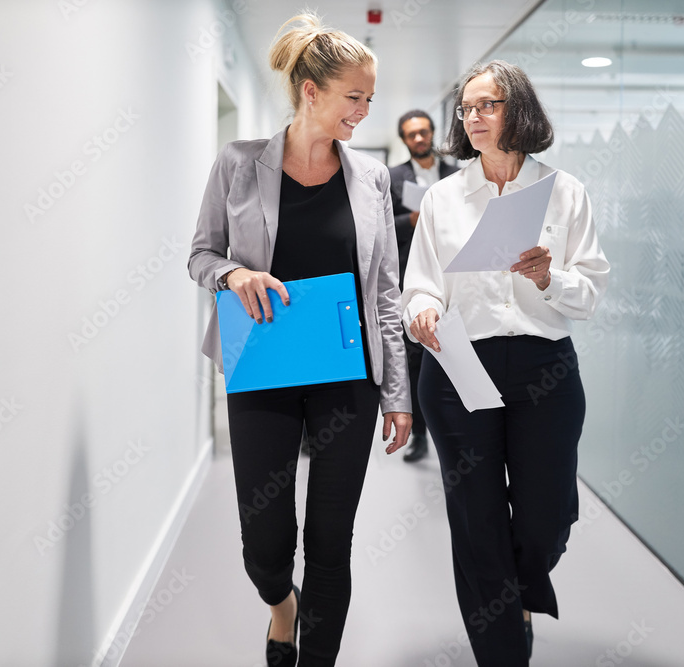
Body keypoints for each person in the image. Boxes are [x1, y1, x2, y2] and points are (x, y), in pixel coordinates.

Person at [187, 13, 412, 667]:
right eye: (354, 97)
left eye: (370, 98)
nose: (364, 111)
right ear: (310, 90)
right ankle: (281, 606)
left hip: (348, 373)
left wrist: (398, 393)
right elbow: (200, 255)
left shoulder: (371, 176)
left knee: (331, 538)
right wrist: (234, 273)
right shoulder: (237, 163)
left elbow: (387, 294)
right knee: (265, 540)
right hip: (264, 362)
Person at [402, 60, 609, 665]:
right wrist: (422, 311)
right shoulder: (443, 197)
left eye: (487, 105)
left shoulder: (564, 192)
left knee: (547, 517)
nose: (474, 118)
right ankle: (501, 649)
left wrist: (551, 277)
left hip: (544, 367)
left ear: (518, 110)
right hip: (459, 366)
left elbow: (591, 292)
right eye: (466, 109)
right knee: (476, 518)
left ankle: (518, 593)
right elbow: (421, 285)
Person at [388, 110, 459, 463]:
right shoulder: (392, 177)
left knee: (455, 356)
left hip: (454, 278)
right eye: (411, 134)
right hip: (410, 279)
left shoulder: (458, 175)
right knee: (415, 359)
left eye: (423, 132)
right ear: (404, 139)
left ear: (432, 133)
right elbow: (380, 228)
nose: (418, 138)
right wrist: (411, 220)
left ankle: (456, 430)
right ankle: (418, 436)